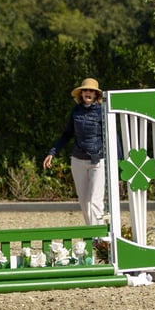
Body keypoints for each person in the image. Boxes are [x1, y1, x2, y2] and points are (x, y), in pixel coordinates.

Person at [43, 78, 107, 226]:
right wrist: (52, 152)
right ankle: (92, 236)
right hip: (78, 160)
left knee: (94, 201)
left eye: (91, 91)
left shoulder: (102, 112)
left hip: (98, 160)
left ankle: (99, 238)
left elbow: (112, 136)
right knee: (84, 202)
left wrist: (118, 161)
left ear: (96, 95)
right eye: (85, 90)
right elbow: (67, 134)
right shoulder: (76, 111)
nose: (88, 93)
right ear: (81, 94)